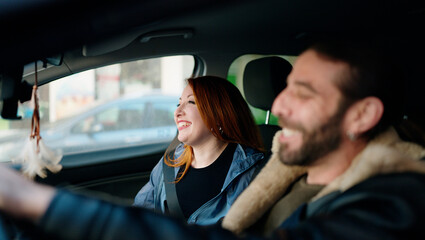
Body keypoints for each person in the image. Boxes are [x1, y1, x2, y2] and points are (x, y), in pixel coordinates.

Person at [1, 38, 425, 240]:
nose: (279, 103)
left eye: (304, 92)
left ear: (363, 114)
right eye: (286, 86)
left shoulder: (393, 203)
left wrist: (40, 202)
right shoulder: (288, 173)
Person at [133, 75, 265, 225]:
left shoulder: (251, 172)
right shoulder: (169, 163)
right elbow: (138, 217)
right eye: (178, 104)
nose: (177, 112)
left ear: (219, 114)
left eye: (190, 102)